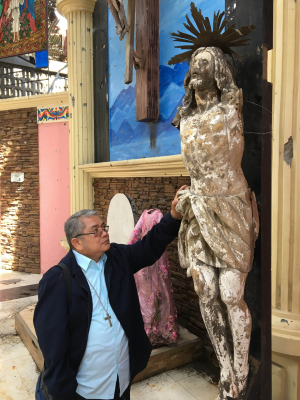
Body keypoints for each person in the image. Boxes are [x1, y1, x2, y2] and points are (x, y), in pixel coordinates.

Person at [33, 185, 186, 400]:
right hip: (84, 389)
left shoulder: (117, 258)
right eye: (95, 231)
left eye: (103, 226)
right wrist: (64, 392)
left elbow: (149, 245)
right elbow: (52, 346)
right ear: (77, 242)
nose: (104, 232)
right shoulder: (58, 280)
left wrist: (174, 215)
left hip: (120, 379)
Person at [174, 46, 259, 400]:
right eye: (194, 62)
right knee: (205, 290)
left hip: (232, 207)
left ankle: (240, 370)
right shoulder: (187, 120)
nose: (197, 66)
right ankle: (226, 370)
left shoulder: (230, 110)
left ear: (219, 69)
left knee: (230, 293)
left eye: (205, 61)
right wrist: (187, 196)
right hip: (199, 210)